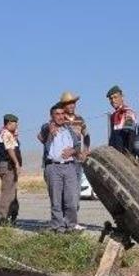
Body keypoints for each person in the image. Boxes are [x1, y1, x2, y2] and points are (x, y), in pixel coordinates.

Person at [42, 103, 82, 233]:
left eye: (62, 114)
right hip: (53, 167)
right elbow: (42, 135)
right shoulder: (47, 127)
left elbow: (77, 146)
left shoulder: (69, 129)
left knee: (71, 199)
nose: (60, 117)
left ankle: (71, 225)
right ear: (52, 116)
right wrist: (49, 133)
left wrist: (72, 151)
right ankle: (58, 226)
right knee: (56, 200)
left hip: (69, 166)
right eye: (57, 114)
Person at [59, 91, 88, 231]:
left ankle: (72, 221)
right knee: (64, 191)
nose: (71, 105)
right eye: (68, 103)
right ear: (63, 105)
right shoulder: (59, 120)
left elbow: (86, 135)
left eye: (73, 103)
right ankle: (63, 222)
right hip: (64, 162)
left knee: (76, 191)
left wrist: (86, 151)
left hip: (77, 160)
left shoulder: (80, 119)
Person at [0, 113, 22, 226]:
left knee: (12, 192)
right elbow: (10, 149)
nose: (17, 126)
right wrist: (16, 163)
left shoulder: (9, 134)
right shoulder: (6, 134)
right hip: (8, 166)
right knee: (7, 192)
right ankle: (4, 218)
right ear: (9, 123)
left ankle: (12, 215)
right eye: (15, 123)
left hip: (10, 166)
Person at [106, 85, 137, 157]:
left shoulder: (128, 112)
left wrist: (129, 156)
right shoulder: (113, 116)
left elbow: (131, 136)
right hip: (115, 156)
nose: (113, 100)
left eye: (115, 97)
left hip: (125, 156)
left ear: (122, 97)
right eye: (111, 98)